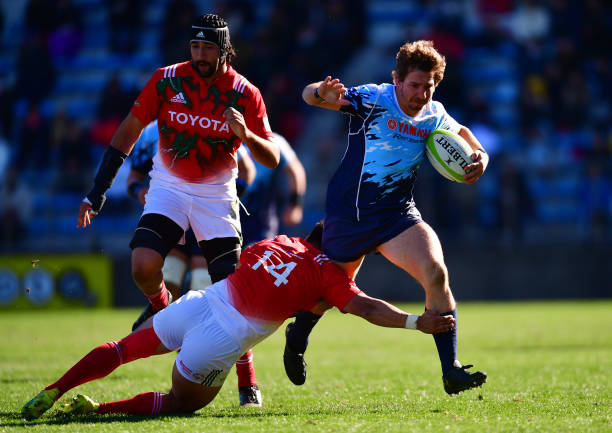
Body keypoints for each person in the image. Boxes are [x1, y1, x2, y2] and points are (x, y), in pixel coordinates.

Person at [21, 223, 455, 420]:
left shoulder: (279, 242)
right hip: (218, 339)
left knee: (120, 349)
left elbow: (256, 273)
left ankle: (54, 389)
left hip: (198, 303)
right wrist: (418, 323)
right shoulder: (330, 275)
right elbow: (366, 308)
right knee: (179, 403)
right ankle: (98, 411)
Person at [76, 14, 280, 406]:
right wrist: (98, 191)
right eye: (195, 47)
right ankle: (163, 311)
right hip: (168, 188)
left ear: (224, 50)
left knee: (231, 294)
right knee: (143, 266)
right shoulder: (167, 79)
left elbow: (269, 158)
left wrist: (246, 134)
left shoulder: (244, 91)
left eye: (208, 48)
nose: (200, 55)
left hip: (216, 195)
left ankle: (247, 377)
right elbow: (128, 132)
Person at [286, 40, 488, 394]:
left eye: (429, 87)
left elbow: (464, 135)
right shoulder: (374, 98)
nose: (421, 94)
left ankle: (450, 368)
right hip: (351, 214)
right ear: (397, 79)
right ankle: (298, 333)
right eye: (414, 85)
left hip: (398, 216)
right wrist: (321, 91)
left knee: (435, 272)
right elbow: (309, 96)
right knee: (328, 295)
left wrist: (481, 156)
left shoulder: (434, 114)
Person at [126, 119, 256, 309]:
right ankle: (167, 332)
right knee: (169, 277)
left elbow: (247, 169)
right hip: (171, 214)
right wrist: (138, 190)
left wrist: (226, 196)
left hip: (207, 217)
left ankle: (194, 333)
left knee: (202, 285)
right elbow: (134, 177)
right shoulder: (151, 132)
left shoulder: (208, 119)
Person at [241, 132, 306, 247]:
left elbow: (295, 169)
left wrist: (295, 204)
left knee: (257, 258)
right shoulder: (223, 135)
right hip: (225, 211)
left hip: (260, 216)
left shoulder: (274, 141)